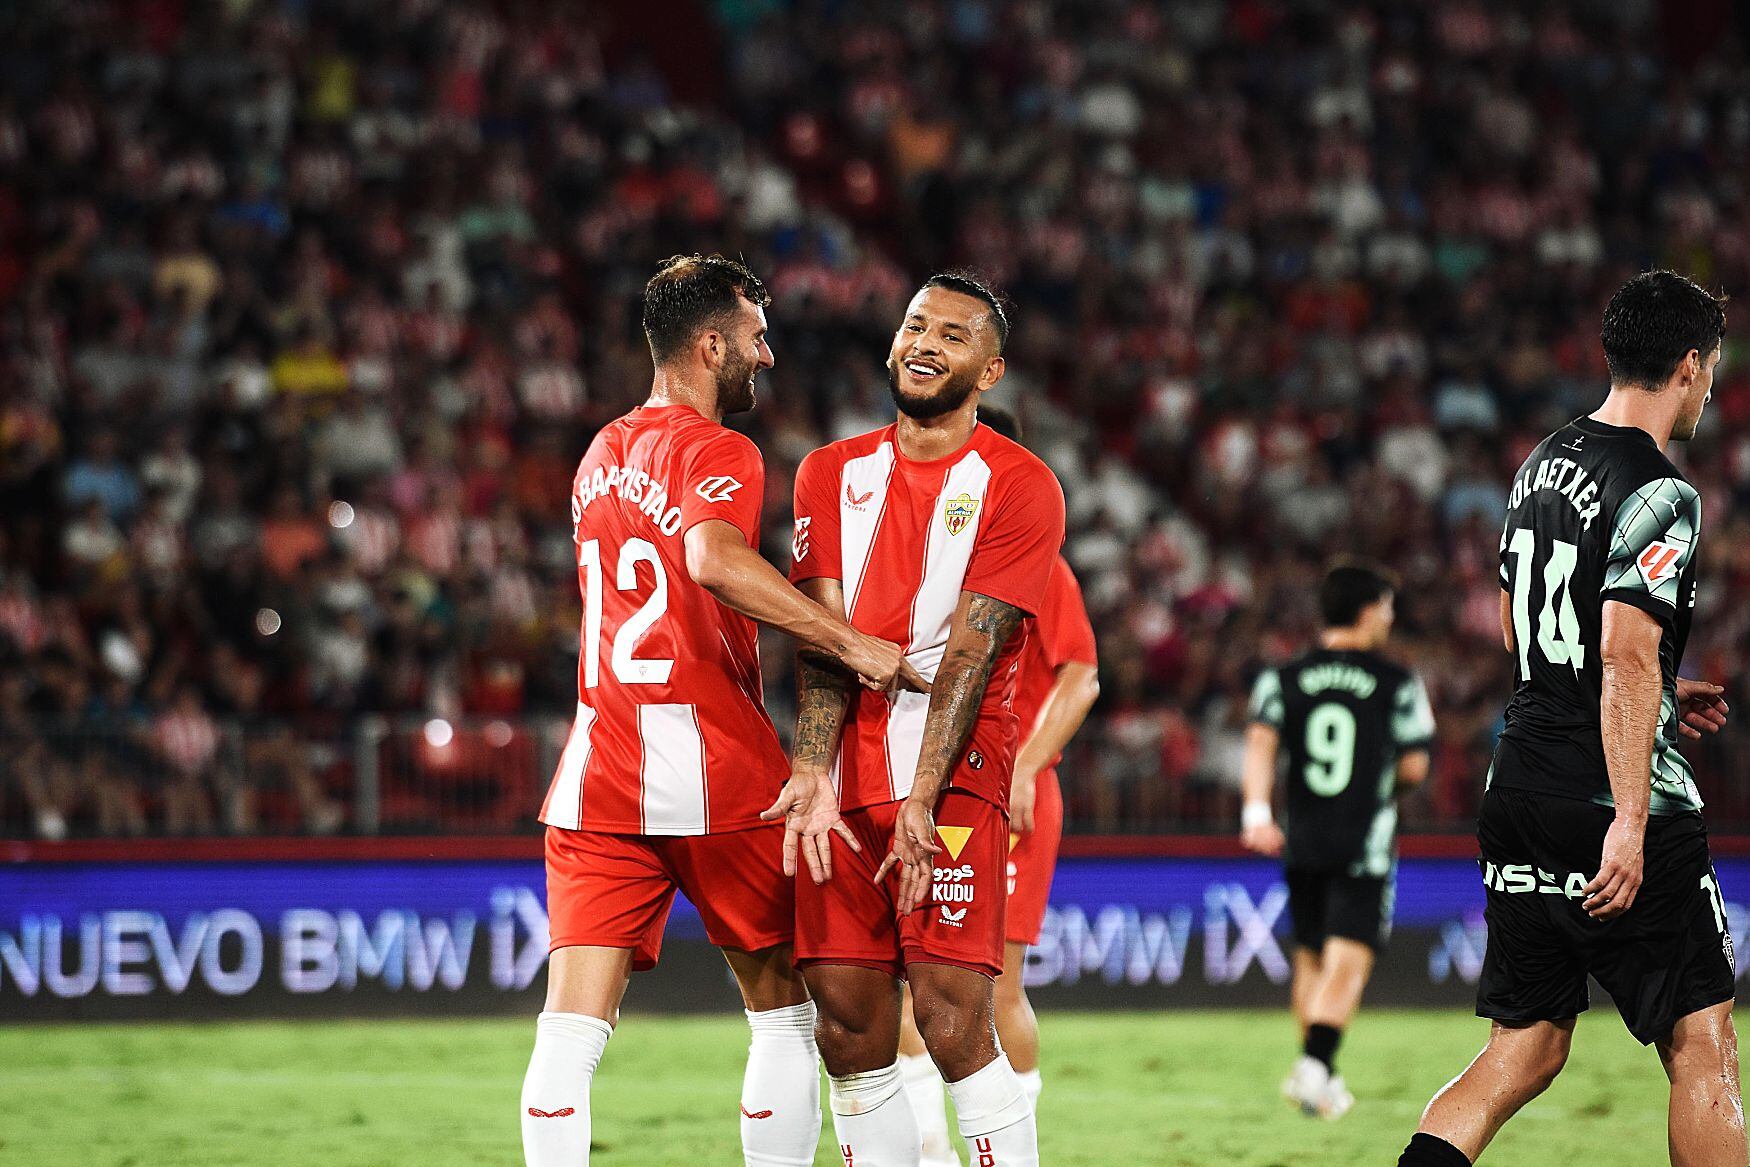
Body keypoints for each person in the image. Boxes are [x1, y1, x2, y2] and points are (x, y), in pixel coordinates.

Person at [521, 254, 926, 1167]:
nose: (767, 355)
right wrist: (853, 641)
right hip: (714, 766)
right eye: (754, 337)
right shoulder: (719, 449)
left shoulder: (598, 452)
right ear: (710, 345)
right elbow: (709, 560)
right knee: (783, 1011)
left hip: (597, 771)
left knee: (569, 1032)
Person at [1397, 270, 1741, 1167]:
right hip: (1616, 805)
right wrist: (1629, 818)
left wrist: (1662, 688)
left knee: (1527, 1045)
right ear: (1691, 366)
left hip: (1517, 782)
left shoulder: (1542, 462)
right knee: (1701, 1044)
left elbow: (1524, 629)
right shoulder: (1661, 491)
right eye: (1711, 372)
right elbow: (1624, 652)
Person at [768, 273, 1065, 1167]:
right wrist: (813, 776)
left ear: (991, 368)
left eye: (955, 334)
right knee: (850, 1031)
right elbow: (822, 639)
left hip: (956, 777)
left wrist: (922, 800)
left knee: (947, 1014)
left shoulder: (1021, 485)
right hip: (847, 782)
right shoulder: (827, 472)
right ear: (894, 343)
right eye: (916, 325)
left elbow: (970, 656)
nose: (928, 342)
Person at [891, 407, 1100, 1167]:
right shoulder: (917, 550)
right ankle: (928, 1150)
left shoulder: (1040, 561)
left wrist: (1025, 763)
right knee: (908, 980)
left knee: (992, 986)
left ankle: (1013, 1144)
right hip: (917, 788)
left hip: (1002, 794)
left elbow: (1082, 676)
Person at [1239, 559, 1434, 1119]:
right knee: (1348, 961)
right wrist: (1377, 780)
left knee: (1310, 957)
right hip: (1362, 840)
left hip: (1301, 836)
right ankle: (1315, 1065)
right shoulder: (1397, 681)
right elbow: (1417, 765)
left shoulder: (1285, 676)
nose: (1390, 620)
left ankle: (1318, 1076)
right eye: (1388, 609)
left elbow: (1259, 741)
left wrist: (1257, 811)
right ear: (1370, 610)